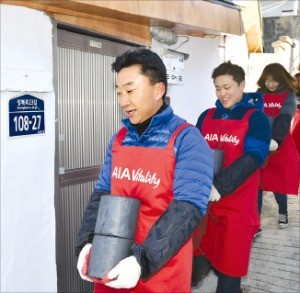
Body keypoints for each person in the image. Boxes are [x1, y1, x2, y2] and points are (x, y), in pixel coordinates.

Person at [75, 48, 214, 292]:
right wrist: (87, 242)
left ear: (158, 90)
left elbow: (188, 208)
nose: (123, 101)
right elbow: (101, 193)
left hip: (160, 271)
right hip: (110, 264)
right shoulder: (119, 139)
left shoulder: (187, 139)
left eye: (130, 90)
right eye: (119, 92)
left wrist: (142, 260)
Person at [192, 61, 270, 292]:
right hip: (205, 207)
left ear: (242, 85)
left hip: (236, 208)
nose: (222, 93)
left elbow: (255, 155)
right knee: (200, 258)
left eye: (228, 87)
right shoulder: (206, 116)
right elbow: (193, 153)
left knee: (229, 270)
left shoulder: (256, 119)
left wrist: (221, 186)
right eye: (218, 88)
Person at [256, 63, 299, 235]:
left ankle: (283, 212)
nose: (271, 85)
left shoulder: (288, 96)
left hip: (278, 144)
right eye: (268, 81)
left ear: (281, 80)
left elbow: (284, 118)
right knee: (257, 184)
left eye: (274, 81)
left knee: (277, 182)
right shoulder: (258, 95)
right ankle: (255, 222)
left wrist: (276, 139)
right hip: (260, 143)